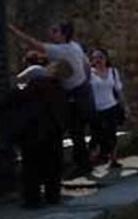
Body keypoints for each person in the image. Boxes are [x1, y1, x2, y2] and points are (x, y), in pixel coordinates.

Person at [9, 21, 93, 177]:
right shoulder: (75, 46)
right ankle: (82, 164)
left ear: (63, 34)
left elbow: (33, 43)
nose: (50, 33)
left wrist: (14, 31)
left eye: (55, 31)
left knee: (74, 132)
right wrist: (83, 82)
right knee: (77, 132)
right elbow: (86, 66)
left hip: (75, 94)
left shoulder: (61, 50)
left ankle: (81, 166)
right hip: (82, 91)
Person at [11, 52, 67, 207]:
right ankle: (53, 197)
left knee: (31, 168)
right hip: (53, 131)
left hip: (32, 133)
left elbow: (9, 103)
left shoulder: (26, 89)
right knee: (53, 168)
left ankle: (32, 200)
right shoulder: (57, 87)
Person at [89, 48, 124, 169]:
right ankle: (91, 160)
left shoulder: (113, 72)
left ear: (106, 59)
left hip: (111, 106)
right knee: (96, 136)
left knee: (112, 134)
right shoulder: (89, 73)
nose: (98, 60)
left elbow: (118, 90)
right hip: (96, 109)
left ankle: (113, 159)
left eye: (100, 57)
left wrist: (125, 106)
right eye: (95, 58)